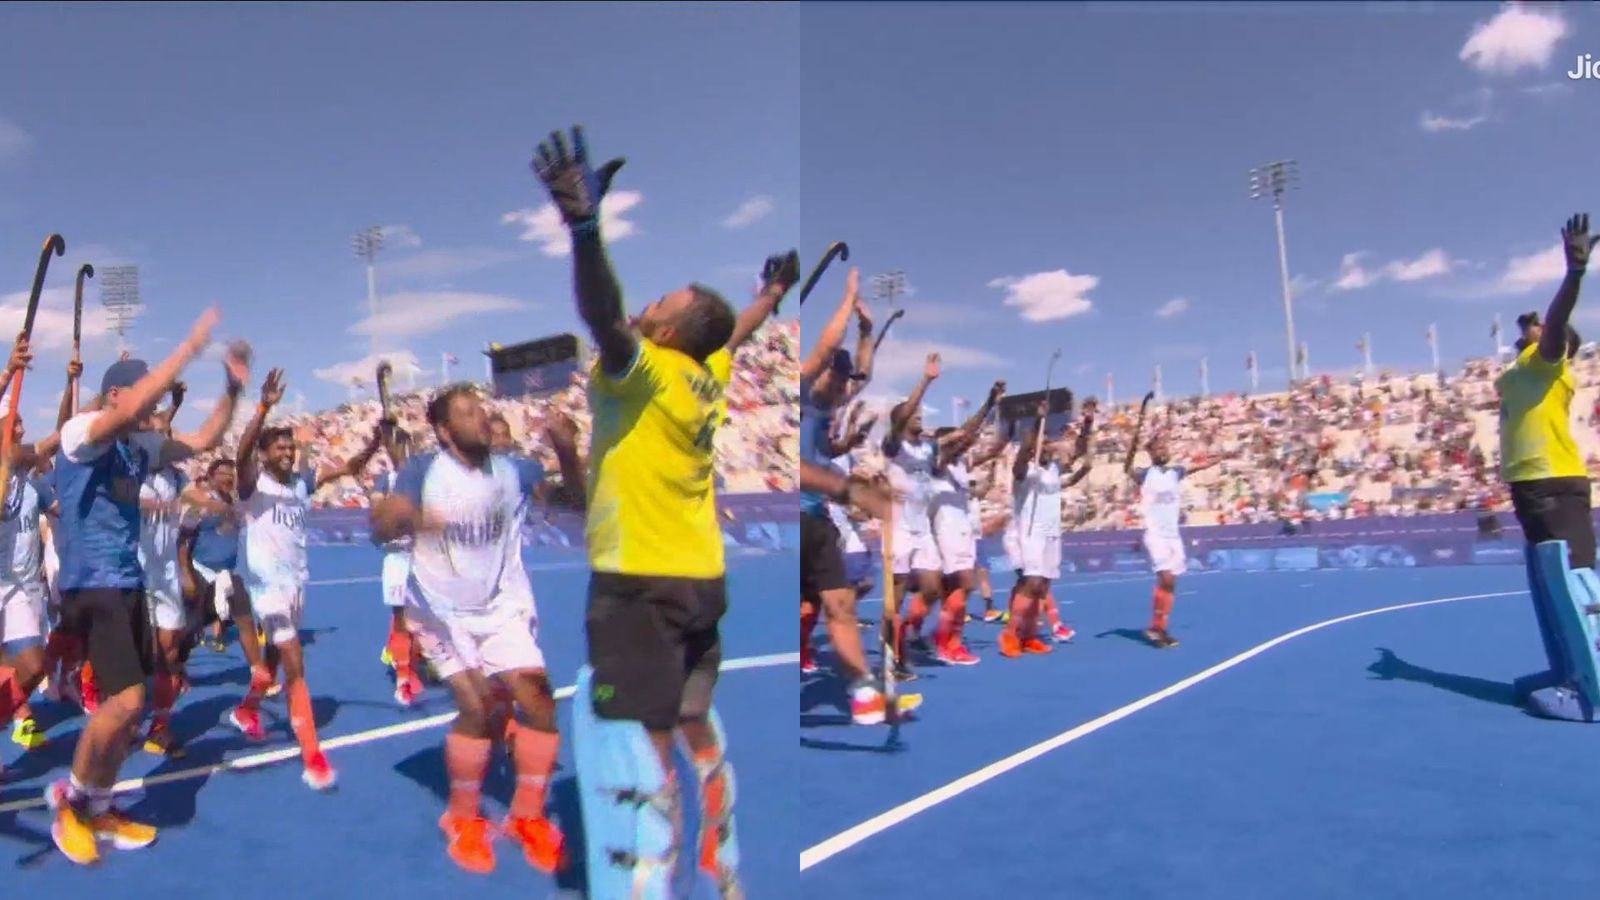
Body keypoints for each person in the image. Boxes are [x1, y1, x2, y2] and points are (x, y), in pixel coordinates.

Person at [530, 124, 753, 896]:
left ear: (662, 331)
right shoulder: (707, 374)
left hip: (641, 581)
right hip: (701, 577)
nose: (649, 302)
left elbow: (601, 311)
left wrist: (587, 229)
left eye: (660, 302)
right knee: (694, 723)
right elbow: (731, 333)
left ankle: (648, 880)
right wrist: (768, 297)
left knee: (633, 749)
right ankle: (722, 871)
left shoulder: (651, 368)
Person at [44, 310, 246, 865]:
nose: (155, 408)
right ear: (114, 395)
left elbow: (206, 438)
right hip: (92, 585)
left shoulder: (139, 449)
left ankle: (99, 803)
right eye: (146, 397)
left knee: (129, 709)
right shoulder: (80, 434)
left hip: (127, 582)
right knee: (126, 701)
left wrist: (230, 388)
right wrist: (188, 346)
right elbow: (134, 407)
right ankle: (70, 803)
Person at [371, 386, 565, 874]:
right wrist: (399, 517)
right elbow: (382, 526)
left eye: (481, 409)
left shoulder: (512, 470)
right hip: (439, 610)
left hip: (498, 604)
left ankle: (527, 817)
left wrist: (566, 452)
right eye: (467, 413)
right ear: (443, 430)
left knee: (539, 700)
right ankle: (460, 817)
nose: (481, 417)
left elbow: (571, 500)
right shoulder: (424, 471)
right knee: (477, 707)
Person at [232, 367, 384, 788]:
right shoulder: (253, 484)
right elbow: (242, 453)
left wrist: (375, 441)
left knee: (276, 663)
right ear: (265, 455)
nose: (286, 453)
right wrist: (262, 408)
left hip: (297, 583)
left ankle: (247, 709)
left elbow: (350, 466)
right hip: (266, 588)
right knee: (296, 663)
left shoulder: (301, 484)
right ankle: (313, 754)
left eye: (289, 448)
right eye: (279, 448)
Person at [1497, 213, 1599, 569]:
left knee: (1577, 581)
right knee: (1559, 583)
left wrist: (1574, 274)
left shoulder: (1548, 362)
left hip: (1552, 480)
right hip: (1530, 482)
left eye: (1542, 324)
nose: (1536, 324)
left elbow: (1556, 322)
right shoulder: (1521, 366)